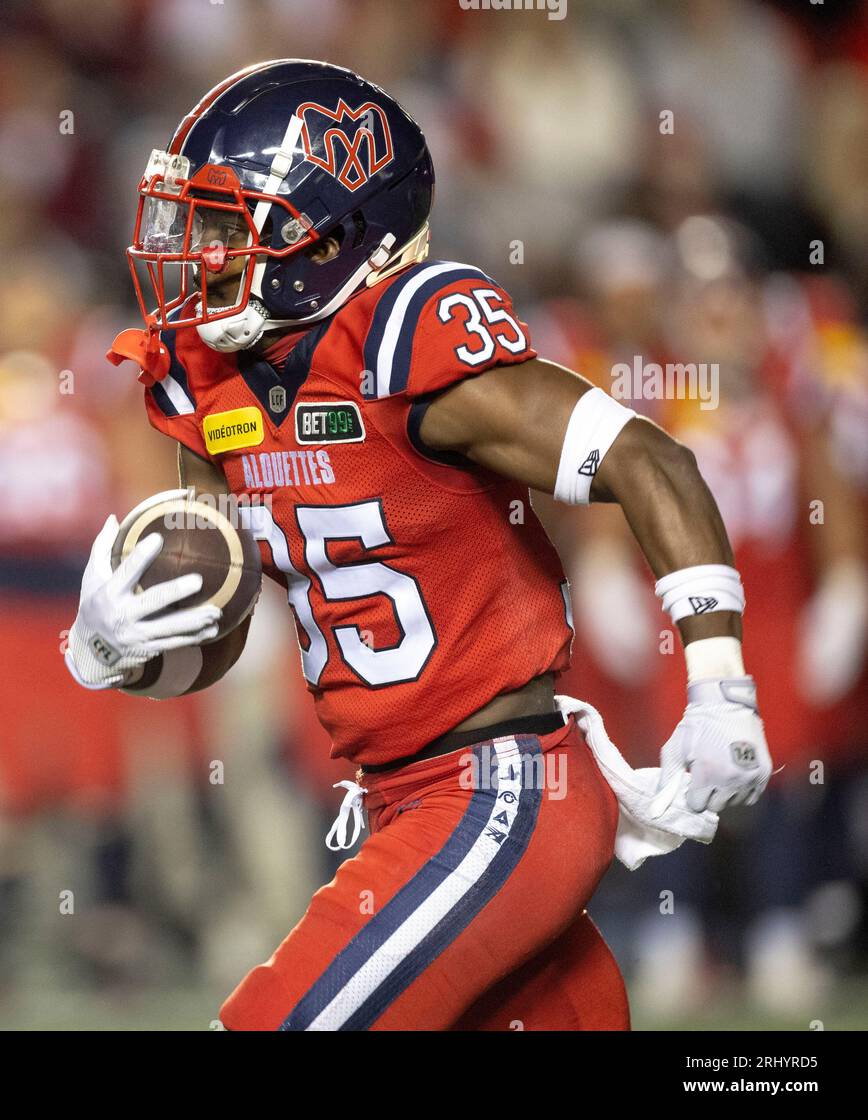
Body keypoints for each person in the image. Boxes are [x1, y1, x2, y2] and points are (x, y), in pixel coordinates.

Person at [64, 60, 771, 1031]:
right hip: (403, 800)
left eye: (226, 224)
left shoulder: (401, 337)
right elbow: (213, 633)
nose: (200, 252)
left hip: (498, 792)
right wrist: (112, 652)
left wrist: (718, 681)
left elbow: (651, 461)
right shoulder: (210, 382)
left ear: (331, 227)